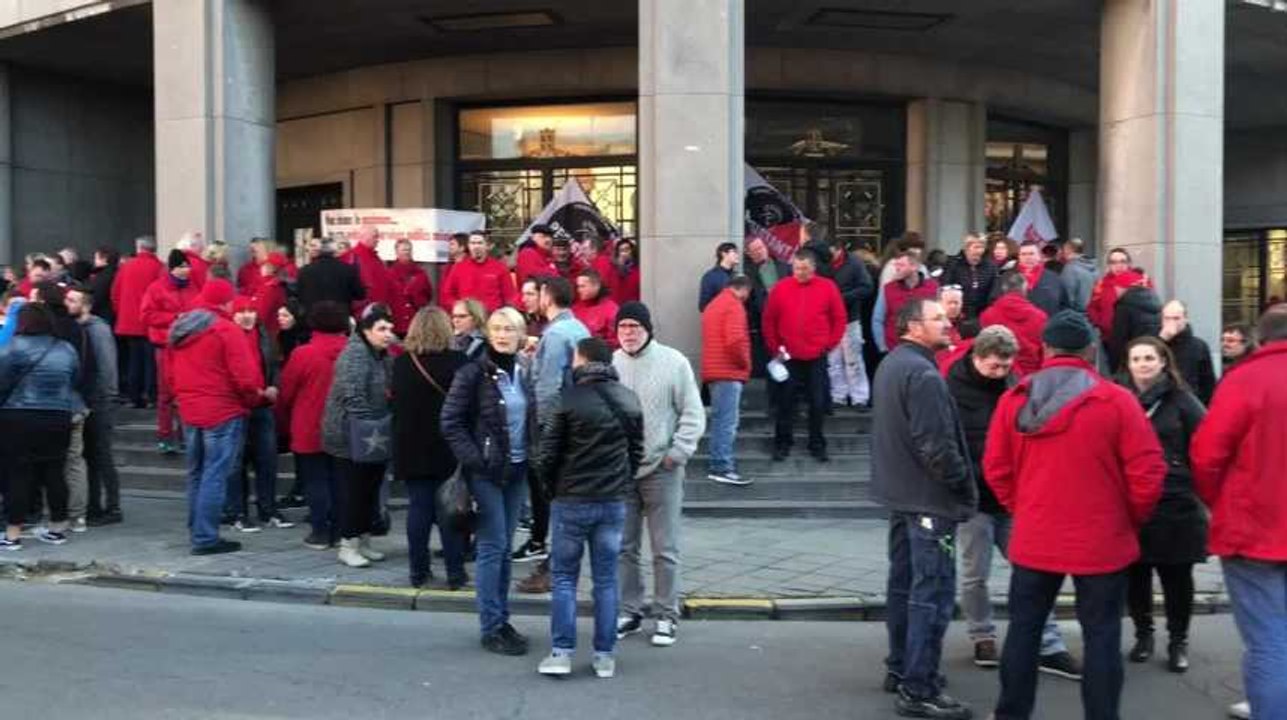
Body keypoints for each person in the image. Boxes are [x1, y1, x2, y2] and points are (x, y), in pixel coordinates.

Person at [985, 310, 1165, 720]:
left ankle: (1011, 714)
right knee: (1102, 638)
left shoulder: (1015, 400)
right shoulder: (1116, 400)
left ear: (1045, 348)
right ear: (1090, 350)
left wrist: (1021, 507)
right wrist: (1129, 519)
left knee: (1024, 632)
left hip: (1036, 534)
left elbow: (996, 468)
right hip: (1101, 537)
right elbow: (1147, 471)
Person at [946, 326, 1079, 678]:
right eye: (994, 366)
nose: (1000, 373)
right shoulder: (951, 389)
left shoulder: (1016, 383)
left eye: (1005, 366)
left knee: (1035, 570)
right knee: (975, 575)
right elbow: (948, 444)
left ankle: (1048, 644)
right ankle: (982, 635)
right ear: (977, 358)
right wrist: (967, 481)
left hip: (1013, 496)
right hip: (974, 498)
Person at [870, 297, 976, 719]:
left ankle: (901, 667)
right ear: (914, 327)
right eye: (938, 318)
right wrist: (962, 484)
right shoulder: (924, 374)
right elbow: (937, 447)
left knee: (904, 586)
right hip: (929, 501)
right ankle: (920, 687)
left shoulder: (892, 365)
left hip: (901, 496)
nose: (947, 323)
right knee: (932, 594)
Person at [1191, 305, 1287, 718]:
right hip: (1256, 526)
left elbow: (1207, 455)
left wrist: (1219, 502)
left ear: (1259, 339)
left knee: (1268, 640)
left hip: (1253, 530)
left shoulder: (1244, 379)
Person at [535, 337, 644, 678]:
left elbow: (547, 454)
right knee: (606, 580)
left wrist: (551, 489)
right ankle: (604, 656)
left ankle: (561, 652)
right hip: (612, 501)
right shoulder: (629, 399)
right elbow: (636, 452)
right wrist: (621, 484)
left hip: (571, 499)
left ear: (580, 360)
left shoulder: (566, 399)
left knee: (565, 578)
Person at [441, 307, 536, 656]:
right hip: (486, 473)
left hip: (517, 469)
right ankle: (491, 626)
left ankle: (502, 619)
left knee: (505, 548)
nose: (502, 334)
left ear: (520, 334)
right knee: (492, 547)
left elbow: (529, 418)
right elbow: (450, 421)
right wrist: (476, 461)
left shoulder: (522, 371)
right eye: (496, 328)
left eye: (509, 329)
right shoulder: (473, 373)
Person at [612, 302, 706, 648]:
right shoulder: (611, 364)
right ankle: (630, 610)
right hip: (622, 472)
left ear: (648, 328)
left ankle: (666, 614)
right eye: (623, 327)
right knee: (624, 547)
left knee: (665, 548)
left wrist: (677, 453)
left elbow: (693, 412)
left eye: (634, 326)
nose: (628, 333)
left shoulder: (674, 362)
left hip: (662, 470)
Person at [1114, 336, 1208, 674]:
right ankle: (1144, 634)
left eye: (1149, 358)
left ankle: (1178, 640)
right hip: (1131, 502)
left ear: (1163, 361)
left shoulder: (1183, 400)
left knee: (1177, 578)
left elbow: (1205, 444)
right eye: (1136, 359)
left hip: (1176, 502)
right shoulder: (1117, 398)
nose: (1143, 364)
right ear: (1128, 364)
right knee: (1136, 576)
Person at [168, 279, 264, 556]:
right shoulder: (225, 330)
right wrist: (256, 398)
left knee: (197, 472)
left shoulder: (182, 329)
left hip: (190, 408)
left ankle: (197, 529)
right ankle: (205, 537)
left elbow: (169, 373)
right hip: (222, 409)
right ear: (226, 301)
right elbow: (244, 377)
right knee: (215, 474)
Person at [513, 276, 590, 588]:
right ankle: (558, 561)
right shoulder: (578, 328)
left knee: (556, 497)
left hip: (558, 425)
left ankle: (557, 566)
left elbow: (547, 388)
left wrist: (545, 433)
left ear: (547, 295)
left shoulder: (556, 335)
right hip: (578, 420)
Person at [392, 306, 469, 589]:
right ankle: (455, 573)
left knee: (419, 509)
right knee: (450, 509)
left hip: (410, 444)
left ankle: (418, 571)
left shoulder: (402, 363)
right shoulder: (459, 362)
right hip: (448, 446)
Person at [0, 304, 80, 550]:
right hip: (58, 415)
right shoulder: (66, 348)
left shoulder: (13, 347)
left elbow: (2, 381)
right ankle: (57, 528)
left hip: (19, 415)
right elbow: (75, 380)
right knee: (54, 472)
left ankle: (12, 533)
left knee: (17, 474)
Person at [321, 304, 395, 568]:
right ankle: (348, 544)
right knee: (354, 491)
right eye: (382, 329)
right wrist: (370, 428)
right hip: (350, 435)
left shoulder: (380, 355)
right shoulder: (355, 354)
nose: (388, 334)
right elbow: (353, 396)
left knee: (369, 490)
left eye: (390, 329)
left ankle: (363, 540)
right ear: (366, 331)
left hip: (371, 434)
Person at [762, 248, 846, 462]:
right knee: (785, 402)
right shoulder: (781, 288)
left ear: (813, 268)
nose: (800, 273)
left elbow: (839, 318)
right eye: (797, 268)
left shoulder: (827, 287)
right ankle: (782, 443)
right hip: (788, 356)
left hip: (817, 355)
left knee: (818, 402)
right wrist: (776, 348)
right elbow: (769, 320)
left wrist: (829, 345)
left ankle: (816, 444)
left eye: (804, 269)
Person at [277, 301, 349, 550]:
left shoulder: (303, 354)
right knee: (341, 480)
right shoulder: (353, 352)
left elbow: (286, 392)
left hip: (309, 425)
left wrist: (283, 419)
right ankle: (340, 530)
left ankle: (320, 531)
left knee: (315, 480)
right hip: (344, 425)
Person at [224, 297, 290, 532]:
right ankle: (237, 512)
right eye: (241, 311)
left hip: (262, 406)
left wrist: (274, 387)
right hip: (237, 407)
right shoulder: (227, 337)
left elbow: (274, 366)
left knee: (267, 460)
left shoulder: (264, 336)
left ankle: (268, 509)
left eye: (251, 310)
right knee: (237, 463)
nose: (247, 315)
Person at [66, 284, 122, 526]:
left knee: (101, 454)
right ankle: (93, 506)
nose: (68, 304)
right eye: (67, 299)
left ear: (86, 305)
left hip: (100, 400)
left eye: (73, 300)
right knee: (89, 454)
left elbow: (107, 366)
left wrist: (106, 396)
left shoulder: (97, 329)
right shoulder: (77, 328)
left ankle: (112, 507)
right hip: (86, 399)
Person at [140, 250, 199, 454]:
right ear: (172, 268)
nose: (186, 270)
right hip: (165, 346)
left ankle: (184, 436)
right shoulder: (156, 288)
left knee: (184, 392)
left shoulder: (193, 287)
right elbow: (146, 315)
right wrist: (174, 318)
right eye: (182, 266)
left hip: (188, 346)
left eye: (187, 266)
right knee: (166, 394)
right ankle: (165, 436)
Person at [701, 276, 752, 486]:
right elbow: (735, 341)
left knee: (720, 420)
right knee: (727, 423)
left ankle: (718, 464)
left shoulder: (714, 304)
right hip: (728, 371)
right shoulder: (734, 306)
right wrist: (745, 364)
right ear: (744, 290)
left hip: (715, 371)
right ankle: (721, 466)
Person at [112, 235, 162, 409]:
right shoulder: (159, 267)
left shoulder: (126, 266)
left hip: (129, 320)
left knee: (134, 359)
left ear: (139, 247)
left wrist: (122, 312)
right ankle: (150, 396)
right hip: (150, 321)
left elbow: (115, 293)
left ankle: (133, 396)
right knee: (151, 361)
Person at [828, 240, 875, 407]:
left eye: (832, 253)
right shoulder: (825, 263)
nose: (829, 257)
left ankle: (859, 397)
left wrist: (843, 298)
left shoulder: (855, 263)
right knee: (833, 360)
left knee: (853, 360)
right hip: (830, 318)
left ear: (839, 250)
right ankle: (838, 395)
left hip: (850, 318)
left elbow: (867, 287)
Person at [744, 236, 791, 393]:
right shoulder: (748, 273)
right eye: (755, 250)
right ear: (749, 253)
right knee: (771, 365)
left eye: (761, 247)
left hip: (787, 322)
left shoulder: (784, 267)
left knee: (789, 364)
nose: (760, 251)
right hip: (764, 325)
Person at [979, 273, 1047, 378]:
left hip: (999, 373)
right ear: (1025, 289)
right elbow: (1044, 351)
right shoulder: (1040, 317)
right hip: (1030, 374)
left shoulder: (988, 315)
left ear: (1004, 289)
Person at [873, 250, 939, 355]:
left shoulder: (933, 287)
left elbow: (940, 316)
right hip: (895, 348)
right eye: (896, 265)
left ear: (914, 267)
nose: (897, 268)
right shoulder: (888, 289)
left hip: (926, 347)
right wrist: (882, 347)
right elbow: (877, 319)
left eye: (901, 265)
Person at [439, 231, 519, 313]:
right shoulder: (458, 267)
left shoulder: (500, 268)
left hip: (492, 316)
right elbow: (447, 295)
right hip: (468, 316)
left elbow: (510, 296)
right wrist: (460, 308)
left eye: (480, 243)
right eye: (472, 243)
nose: (476, 246)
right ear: (468, 246)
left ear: (487, 246)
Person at [1160, 300, 1216, 405]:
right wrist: (1161, 340)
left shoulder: (1199, 346)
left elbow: (1208, 384)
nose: (1171, 322)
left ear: (1185, 319)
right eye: (1167, 318)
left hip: (1190, 405)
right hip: (1161, 404)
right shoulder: (1154, 343)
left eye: (1176, 318)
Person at [296, 237, 365, 318]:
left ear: (319, 250)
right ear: (334, 250)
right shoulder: (347, 269)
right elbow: (360, 294)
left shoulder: (304, 271)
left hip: (314, 318)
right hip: (340, 317)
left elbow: (300, 296)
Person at [1106, 278, 1162, 373]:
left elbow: (1119, 340)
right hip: (1153, 355)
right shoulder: (1156, 302)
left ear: (1122, 287)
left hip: (1133, 359)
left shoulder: (1124, 306)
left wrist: (1115, 368)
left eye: (1116, 288)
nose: (1116, 292)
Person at [942, 234, 997, 320]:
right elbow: (946, 286)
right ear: (966, 248)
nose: (979, 251)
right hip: (959, 312)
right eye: (976, 247)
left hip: (983, 312)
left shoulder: (991, 266)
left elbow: (994, 290)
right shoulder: (953, 264)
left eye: (982, 247)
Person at [1007, 241, 1068, 316]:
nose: (1028, 257)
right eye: (1023, 254)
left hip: (1048, 322)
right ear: (1019, 257)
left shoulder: (1053, 278)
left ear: (1039, 256)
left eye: (1031, 253)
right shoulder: (1007, 277)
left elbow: (1064, 305)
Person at [388, 238, 433, 336]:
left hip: (416, 323)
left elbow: (428, 295)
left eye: (409, 250)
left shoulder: (420, 273)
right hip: (396, 324)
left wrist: (417, 299)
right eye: (404, 250)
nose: (407, 252)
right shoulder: (389, 274)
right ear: (396, 252)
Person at [571, 269, 619, 349]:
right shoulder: (575, 308)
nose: (579, 290)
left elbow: (616, 340)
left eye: (583, 286)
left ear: (596, 286)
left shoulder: (611, 310)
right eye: (578, 286)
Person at [254, 253, 291, 343]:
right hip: (276, 327)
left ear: (271, 268)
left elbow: (262, 313)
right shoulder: (280, 284)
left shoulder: (270, 287)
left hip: (268, 328)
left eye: (264, 265)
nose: (261, 267)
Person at [698, 242, 739, 312]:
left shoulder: (737, 276)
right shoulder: (711, 277)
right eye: (734, 252)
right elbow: (703, 306)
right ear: (724, 254)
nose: (737, 255)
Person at [1059, 238, 1097, 313]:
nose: (1062, 253)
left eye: (1063, 250)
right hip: (1093, 314)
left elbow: (1066, 297)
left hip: (1076, 314)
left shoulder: (1070, 269)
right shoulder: (1094, 267)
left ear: (1069, 250)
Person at [515, 224, 558, 290]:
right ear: (533, 238)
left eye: (550, 237)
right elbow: (533, 280)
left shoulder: (548, 256)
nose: (548, 239)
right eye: (543, 236)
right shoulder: (528, 253)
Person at [603, 238, 641, 305]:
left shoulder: (638, 269)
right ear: (618, 253)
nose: (624, 253)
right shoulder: (612, 269)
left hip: (633, 305)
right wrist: (620, 265)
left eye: (627, 249)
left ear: (632, 250)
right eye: (621, 250)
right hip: (617, 306)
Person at [275, 299, 310, 365]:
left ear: (296, 317)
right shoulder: (282, 334)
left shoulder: (306, 336)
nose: (279, 318)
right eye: (278, 315)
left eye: (285, 316)